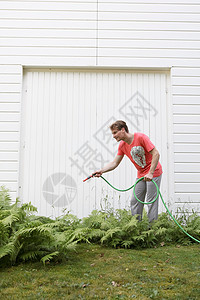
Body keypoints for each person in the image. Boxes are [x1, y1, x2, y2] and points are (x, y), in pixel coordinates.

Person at [93, 120, 162, 223]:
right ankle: (136, 227)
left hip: (154, 172)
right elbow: (115, 163)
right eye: (112, 133)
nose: (113, 136)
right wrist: (101, 171)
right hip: (141, 175)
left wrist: (151, 173)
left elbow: (156, 153)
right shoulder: (122, 145)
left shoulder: (140, 137)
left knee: (151, 202)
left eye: (115, 132)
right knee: (135, 201)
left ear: (123, 130)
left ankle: (153, 231)